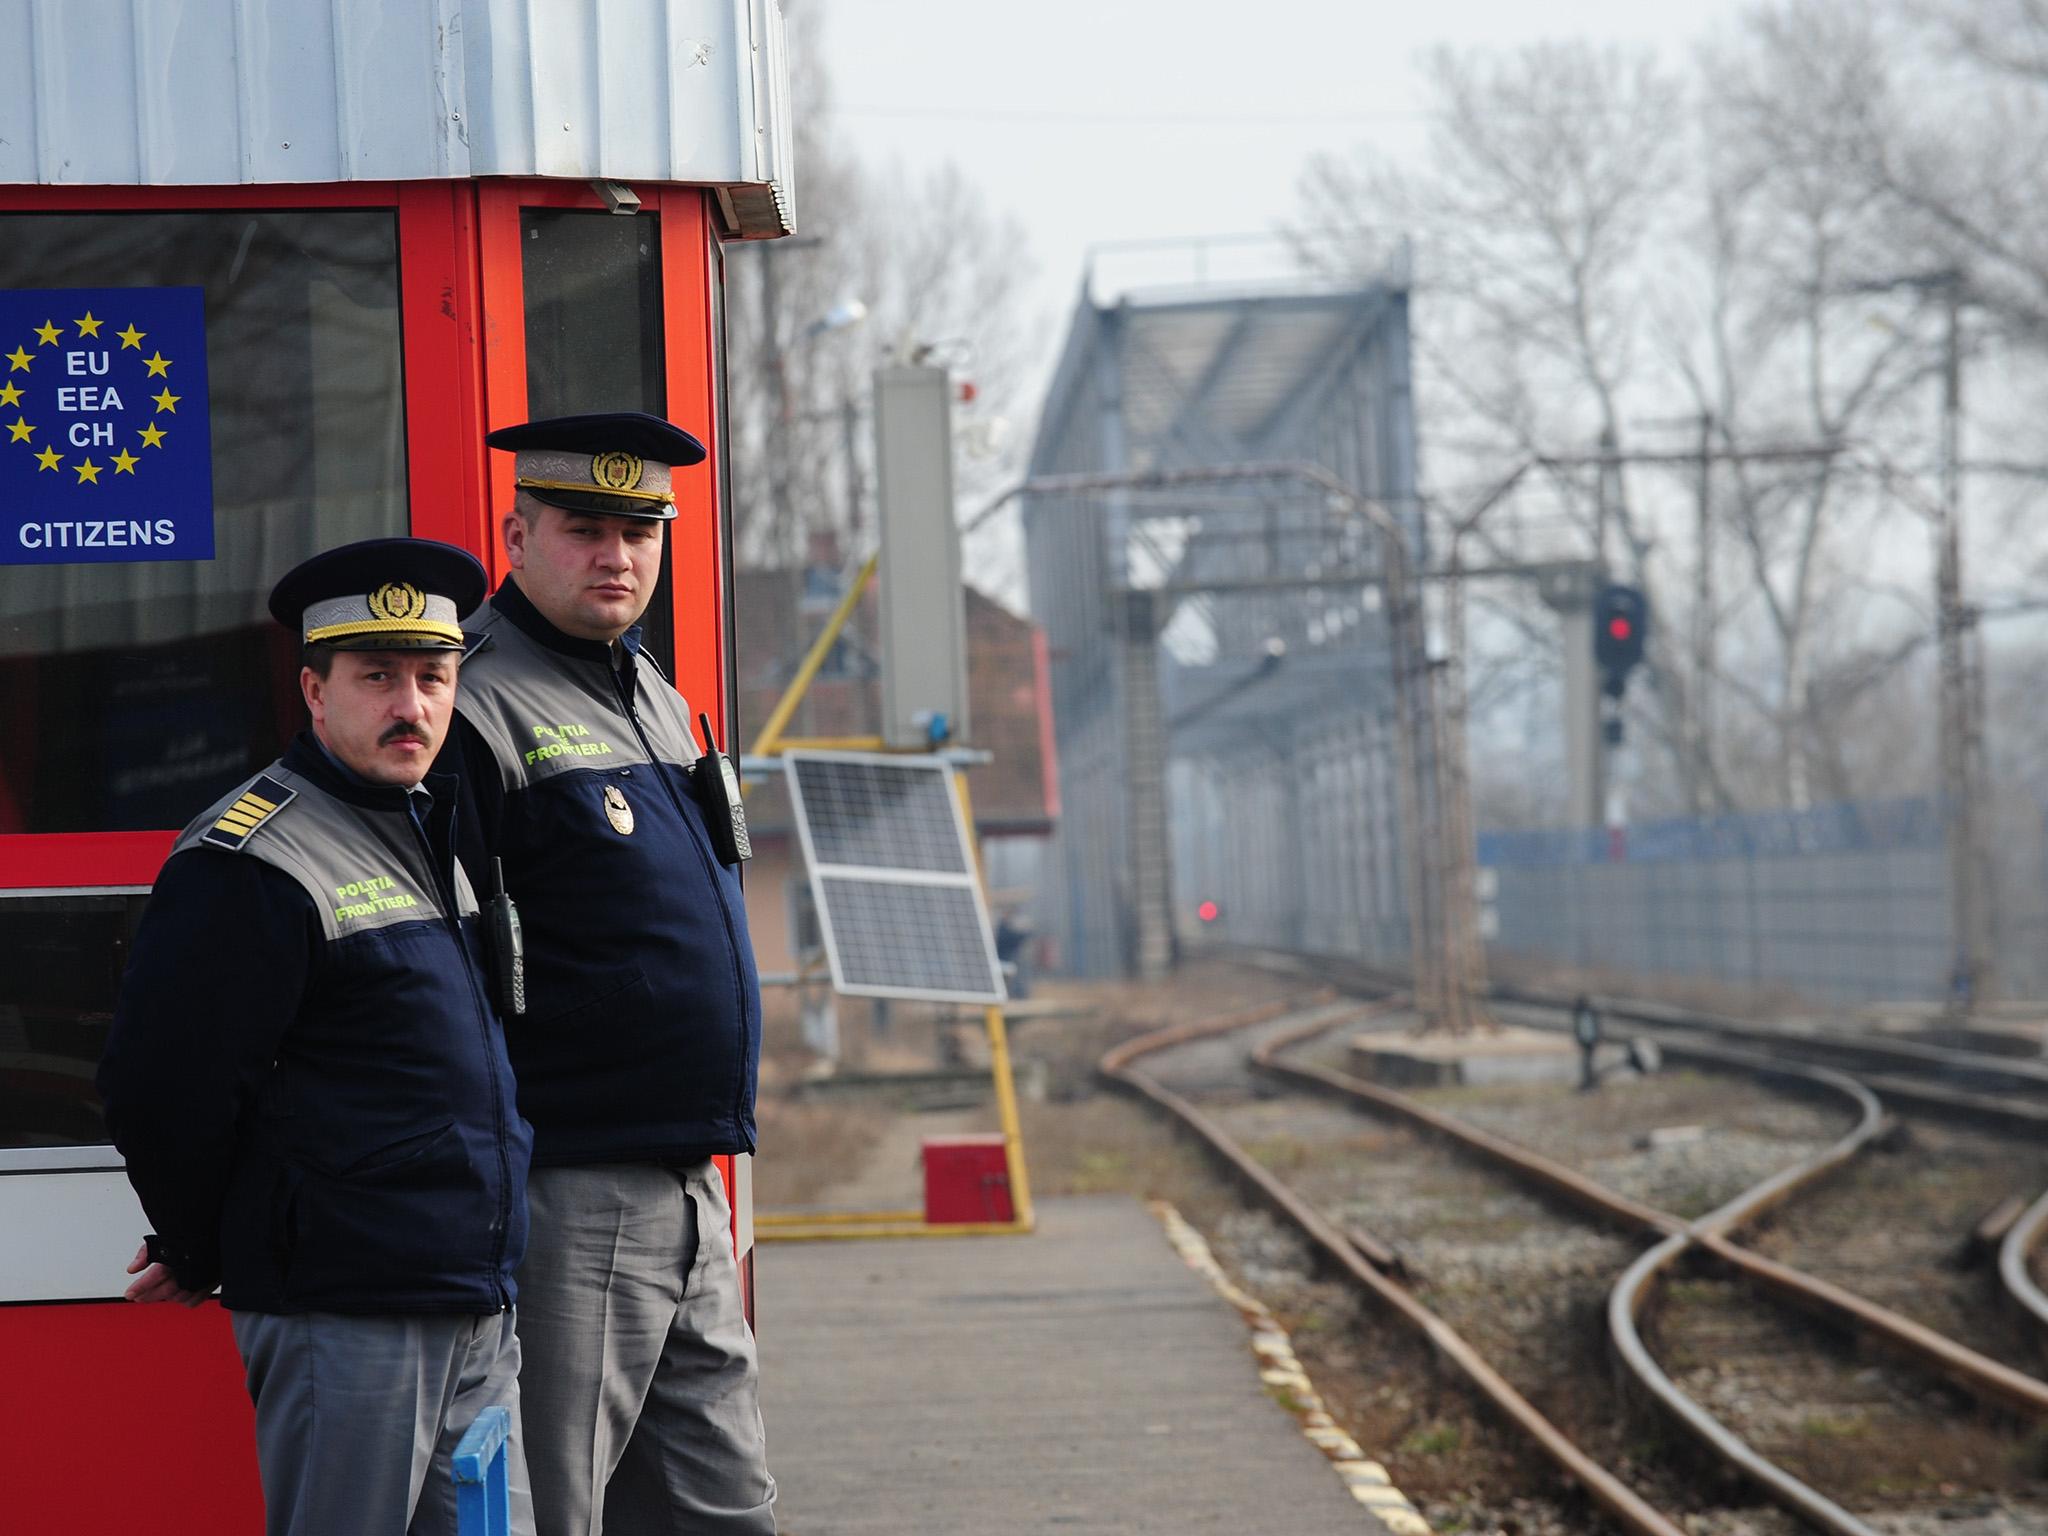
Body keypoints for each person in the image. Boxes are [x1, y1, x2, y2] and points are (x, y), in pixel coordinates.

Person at [97, 539, 535, 1536]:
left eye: (432, 676)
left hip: (473, 1305)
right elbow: (162, 1086)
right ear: (313, 689)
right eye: (376, 677)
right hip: (346, 1317)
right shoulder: (252, 858)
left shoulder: (431, 830)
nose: (410, 705)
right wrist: (203, 1242)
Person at [440, 412, 774, 1535]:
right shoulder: (471, 705)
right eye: (584, 529)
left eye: (640, 532)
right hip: (570, 1188)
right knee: (556, 1511)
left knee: (722, 1512)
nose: (616, 556)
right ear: (517, 535)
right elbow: (438, 969)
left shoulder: (654, 694)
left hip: (688, 1181)